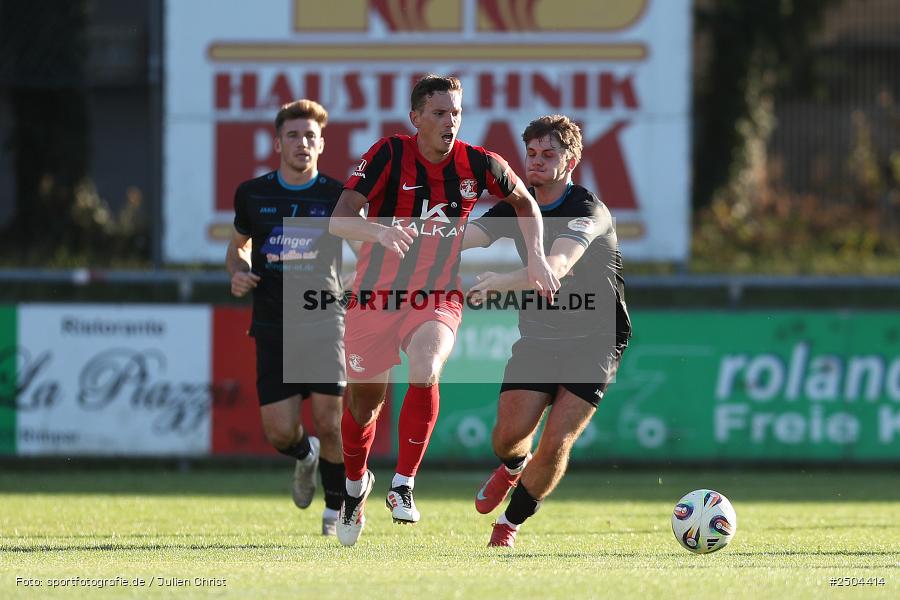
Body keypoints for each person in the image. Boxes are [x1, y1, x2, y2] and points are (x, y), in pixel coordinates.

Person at [328, 75, 560, 546]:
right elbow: (339, 219)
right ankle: (355, 486)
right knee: (363, 404)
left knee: (427, 366)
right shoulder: (388, 154)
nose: (449, 122)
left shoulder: (480, 163)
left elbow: (525, 203)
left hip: (436, 294)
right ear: (416, 118)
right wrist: (379, 232)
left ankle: (403, 484)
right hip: (375, 296)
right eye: (439, 113)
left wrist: (535, 255)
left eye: (455, 112)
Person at [462, 114, 632, 547]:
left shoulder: (587, 210)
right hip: (539, 334)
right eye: (532, 154)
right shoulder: (520, 204)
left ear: (571, 160)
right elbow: (470, 235)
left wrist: (499, 282)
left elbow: (555, 268)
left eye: (548, 154)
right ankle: (511, 468)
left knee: (557, 439)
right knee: (507, 438)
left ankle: (510, 524)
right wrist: (410, 236)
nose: (536, 162)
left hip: (596, 339)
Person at [226, 99, 352, 536]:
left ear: (322, 144)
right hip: (273, 323)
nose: (302, 143)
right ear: (278, 142)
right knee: (280, 432)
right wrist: (239, 271)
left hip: (323, 321)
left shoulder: (338, 196)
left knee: (330, 421)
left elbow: (367, 247)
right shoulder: (252, 193)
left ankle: (336, 509)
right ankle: (305, 457)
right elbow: (238, 247)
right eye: (294, 135)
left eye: (310, 136)